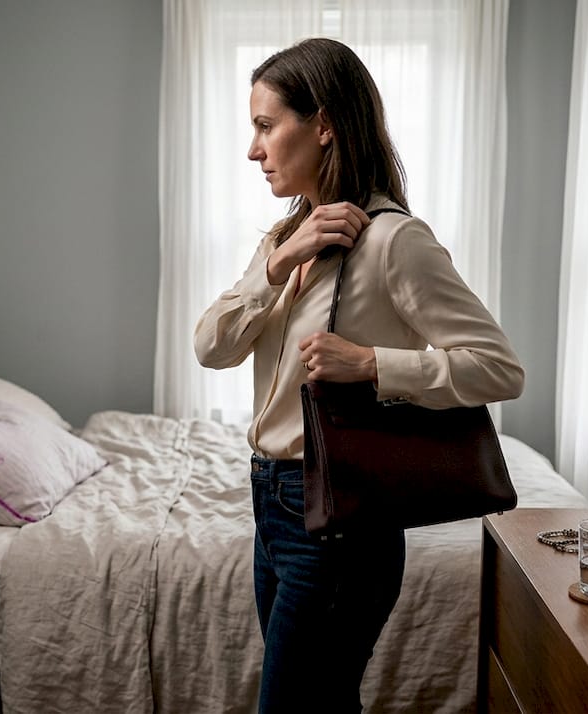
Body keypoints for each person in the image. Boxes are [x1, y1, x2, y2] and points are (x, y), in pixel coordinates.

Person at [193, 38, 525, 712]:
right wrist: (283, 261)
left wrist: (371, 364)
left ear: (322, 126)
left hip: (341, 519)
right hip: (272, 503)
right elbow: (210, 347)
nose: (253, 151)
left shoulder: (394, 241)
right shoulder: (284, 241)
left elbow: (498, 368)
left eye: (264, 126)